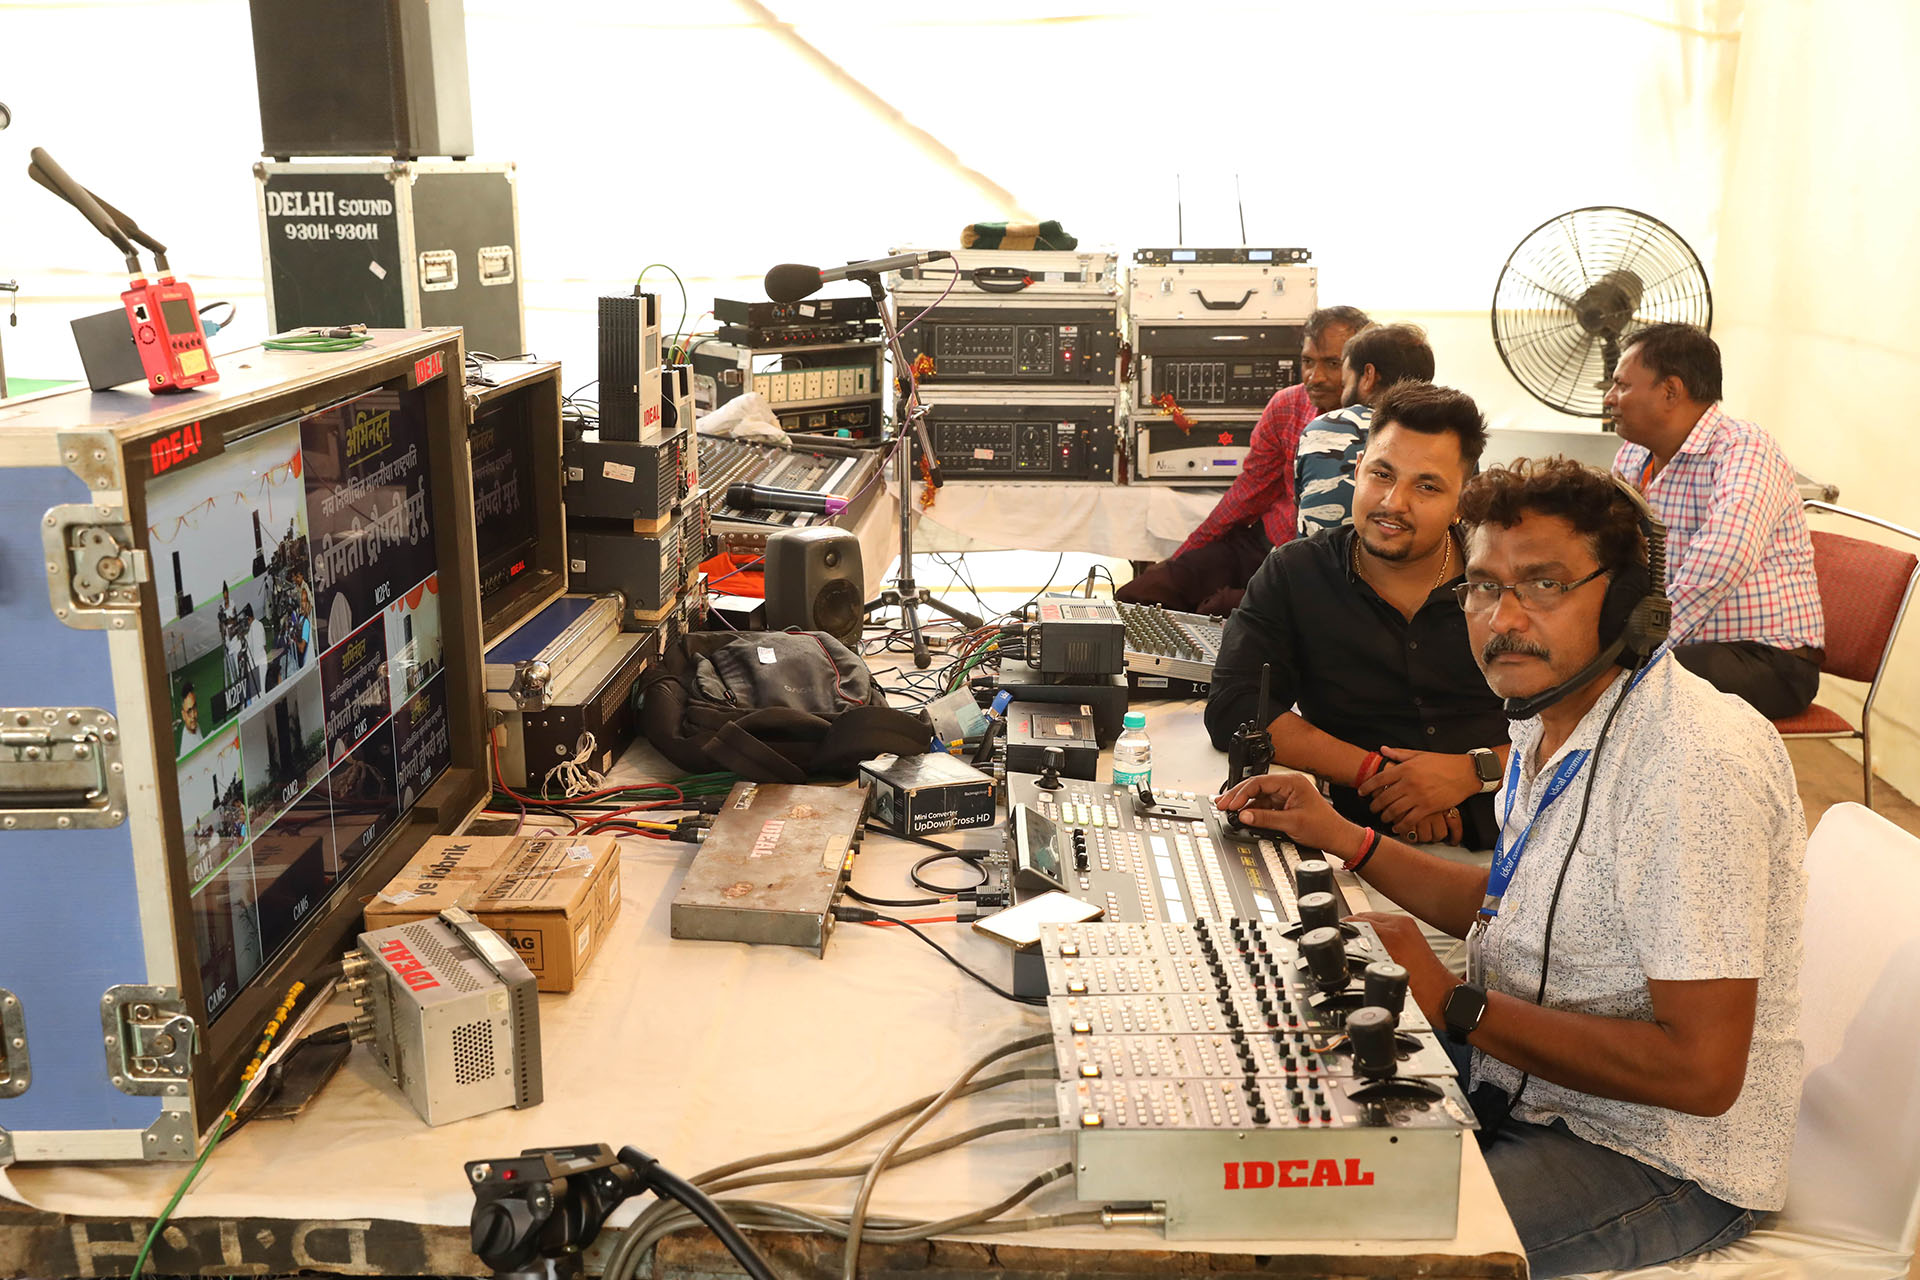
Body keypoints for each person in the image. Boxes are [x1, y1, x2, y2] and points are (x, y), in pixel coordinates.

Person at [1219, 457, 1804, 1277]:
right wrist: (1346, 838)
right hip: (1519, 1082)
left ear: (1631, 605)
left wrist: (1454, 1001)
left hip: (1654, 1155)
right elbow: (1516, 900)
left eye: (1544, 585)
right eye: (1484, 587)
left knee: (1328, 1250)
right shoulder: (1545, 714)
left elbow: (1702, 1073)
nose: (1504, 618)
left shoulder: (1691, 765)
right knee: (1255, 1132)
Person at [1206, 382, 1509, 850]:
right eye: (1381, 474)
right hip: (1340, 840)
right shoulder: (1296, 573)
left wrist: (1469, 772)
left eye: (1427, 486)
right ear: (1359, 467)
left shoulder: (1509, 582)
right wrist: (1380, 775)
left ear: (1462, 501)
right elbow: (1236, 707)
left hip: (1510, 844)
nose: (1393, 503)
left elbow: (1581, 725)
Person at [1604, 322, 1823, 717]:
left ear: (1671, 391)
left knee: (1626, 685)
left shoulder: (1744, 447)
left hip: (1769, 658)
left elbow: (1724, 558)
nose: (1609, 398)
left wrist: (1644, 643)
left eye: (1622, 385)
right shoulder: (1633, 456)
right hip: (1683, 645)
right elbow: (1612, 551)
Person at [1117, 306, 1370, 615]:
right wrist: (1182, 557)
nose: (1314, 377)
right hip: (1261, 545)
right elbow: (1248, 493)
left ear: (1363, 370)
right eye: (1307, 362)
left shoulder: (1383, 427)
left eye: (1332, 364)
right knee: (1141, 593)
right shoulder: (1287, 405)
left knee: (1219, 610)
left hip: (1316, 573)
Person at [1295, 322, 1435, 536]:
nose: (1343, 395)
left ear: (1368, 375)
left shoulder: (1321, 429)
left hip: (1317, 556)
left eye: (1346, 383)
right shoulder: (1452, 437)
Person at [177, 684, 203, 756]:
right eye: (189, 711)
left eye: (194, 708)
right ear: (183, 715)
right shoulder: (187, 749)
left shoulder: (196, 726)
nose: (193, 715)